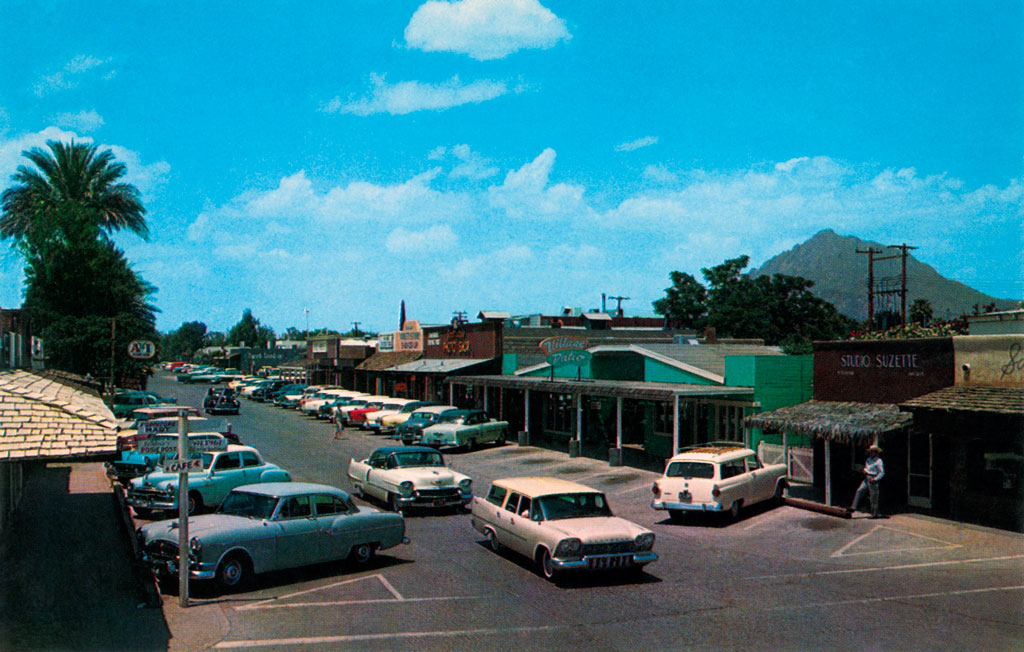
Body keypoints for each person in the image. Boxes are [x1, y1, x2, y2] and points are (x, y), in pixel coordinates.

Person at [848, 445, 885, 518]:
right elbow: (866, 468)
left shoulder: (879, 461)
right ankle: (853, 507)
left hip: (873, 478)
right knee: (860, 490)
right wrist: (864, 470)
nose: (870, 453)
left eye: (872, 452)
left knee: (873, 496)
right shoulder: (868, 459)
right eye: (870, 452)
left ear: (875, 452)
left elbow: (882, 473)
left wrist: (875, 479)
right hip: (867, 477)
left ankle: (874, 513)